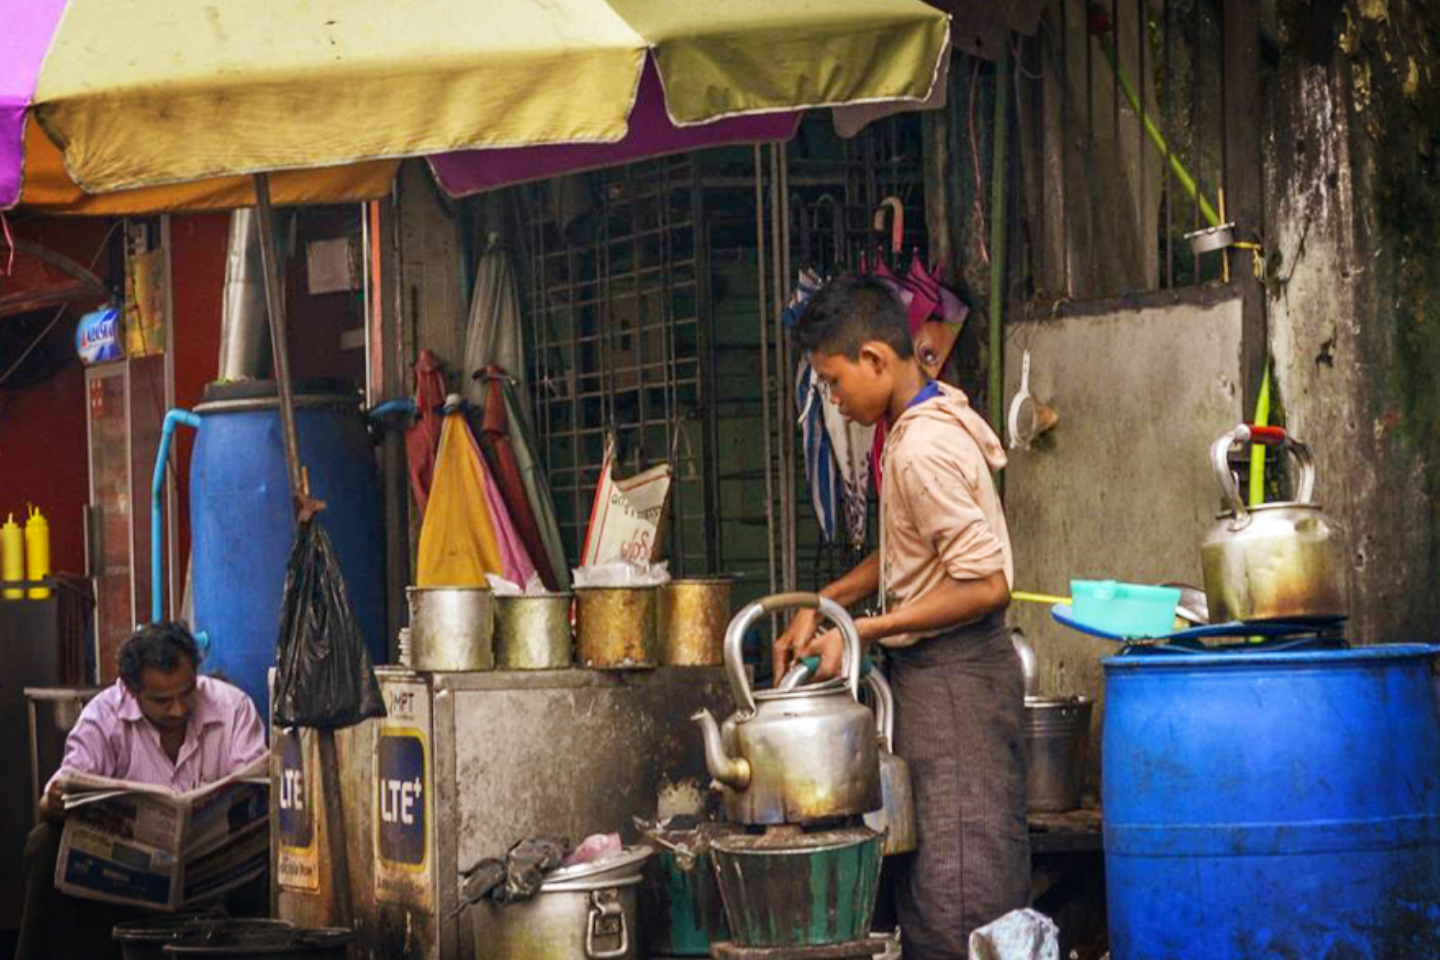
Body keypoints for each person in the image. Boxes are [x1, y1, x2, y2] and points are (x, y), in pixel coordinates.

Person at [774, 275, 1029, 960]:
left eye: (832, 382)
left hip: (955, 684)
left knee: (959, 891)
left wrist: (859, 632)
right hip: (941, 681)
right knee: (940, 878)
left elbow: (988, 586)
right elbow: (911, 547)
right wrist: (825, 602)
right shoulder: (925, 416)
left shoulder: (919, 450)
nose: (833, 399)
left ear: (877, 361)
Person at [16, 621, 268, 960]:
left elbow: (256, 790)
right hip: (124, 885)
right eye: (162, 700)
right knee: (44, 842)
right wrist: (53, 803)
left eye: (187, 692)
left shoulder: (233, 708)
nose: (178, 709)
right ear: (132, 690)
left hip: (214, 882)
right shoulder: (103, 717)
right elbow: (60, 791)